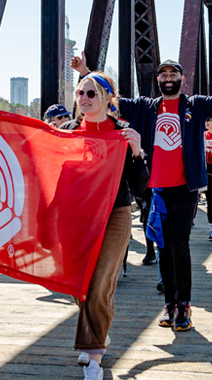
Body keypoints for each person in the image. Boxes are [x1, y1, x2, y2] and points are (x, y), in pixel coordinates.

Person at [71, 51, 212, 332]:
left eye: (172, 74)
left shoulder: (197, 106)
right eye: (163, 75)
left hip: (185, 189)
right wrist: (85, 72)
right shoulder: (145, 108)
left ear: (181, 78)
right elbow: (107, 98)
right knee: (164, 247)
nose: (168, 79)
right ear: (158, 80)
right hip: (155, 192)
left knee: (179, 243)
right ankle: (170, 303)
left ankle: (184, 304)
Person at [60, 71, 149, 380]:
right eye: (80, 93)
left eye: (91, 94)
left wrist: (138, 153)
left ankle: (95, 356)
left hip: (114, 214)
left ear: (109, 99)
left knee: (101, 284)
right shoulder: (68, 131)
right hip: (77, 215)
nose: (83, 99)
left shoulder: (122, 133)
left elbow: (139, 188)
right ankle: (98, 334)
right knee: (78, 283)